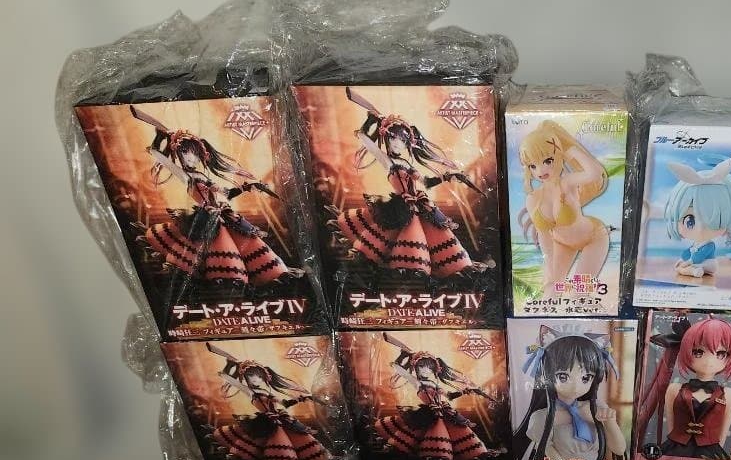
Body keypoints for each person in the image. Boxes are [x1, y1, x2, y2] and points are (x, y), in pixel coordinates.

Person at [329, 90, 492, 277]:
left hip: (419, 204)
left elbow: (426, 182)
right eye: (393, 138)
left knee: (439, 232)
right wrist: (370, 120)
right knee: (397, 237)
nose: (397, 143)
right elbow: (364, 138)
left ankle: (457, 267)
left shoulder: (406, 163)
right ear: (386, 138)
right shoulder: (387, 161)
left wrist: (447, 176)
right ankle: (410, 268)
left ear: (407, 143)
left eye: (402, 140)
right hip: (400, 207)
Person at [131, 106, 295, 286]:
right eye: (184, 153)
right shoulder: (186, 176)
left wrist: (246, 187)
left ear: (201, 154)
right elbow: (158, 155)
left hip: (223, 215)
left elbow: (226, 194)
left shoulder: (203, 176)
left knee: (249, 243)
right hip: (206, 219)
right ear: (178, 154)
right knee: (215, 251)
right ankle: (226, 279)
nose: (190, 157)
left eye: (194, 153)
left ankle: (270, 275)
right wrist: (159, 136)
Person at [636, 316, 731, 460]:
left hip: (710, 454)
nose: (709, 361)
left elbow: (721, 435)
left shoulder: (730, 395)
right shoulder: (674, 389)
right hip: (674, 449)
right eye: (698, 352)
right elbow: (672, 429)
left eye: (721, 354)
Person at [518, 120, 610, 290]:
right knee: (551, 289)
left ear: (558, 156)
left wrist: (570, 151)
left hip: (593, 237)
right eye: (533, 165)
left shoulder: (567, 182)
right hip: (562, 244)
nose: (540, 171)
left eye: (548, 161)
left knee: (579, 291)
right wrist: (550, 268)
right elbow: (545, 238)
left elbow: (594, 173)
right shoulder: (533, 199)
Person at [513, 328, 625, 460]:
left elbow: (619, 449)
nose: (576, 386)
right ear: (546, 376)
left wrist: (610, 423)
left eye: (586, 377)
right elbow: (550, 454)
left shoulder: (596, 408)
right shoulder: (541, 417)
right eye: (563, 376)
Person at [664, 156, 731, 279]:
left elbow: (697, 257)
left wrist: (687, 263)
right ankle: (689, 270)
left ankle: (691, 270)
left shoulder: (709, 245)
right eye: (690, 222)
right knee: (683, 267)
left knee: (691, 266)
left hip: (709, 264)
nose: (700, 229)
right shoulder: (696, 244)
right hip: (696, 262)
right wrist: (682, 259)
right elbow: (689, 252)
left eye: (714, 221)